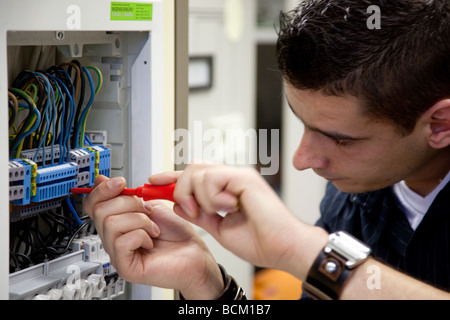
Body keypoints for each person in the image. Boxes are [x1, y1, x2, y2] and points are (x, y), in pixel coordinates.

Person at [83, 0, 450, 300]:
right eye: (302, 122)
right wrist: (206, 283)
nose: (301, 159)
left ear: (440, 124)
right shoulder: (354, 196)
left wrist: (298, 249)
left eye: (341, 139)